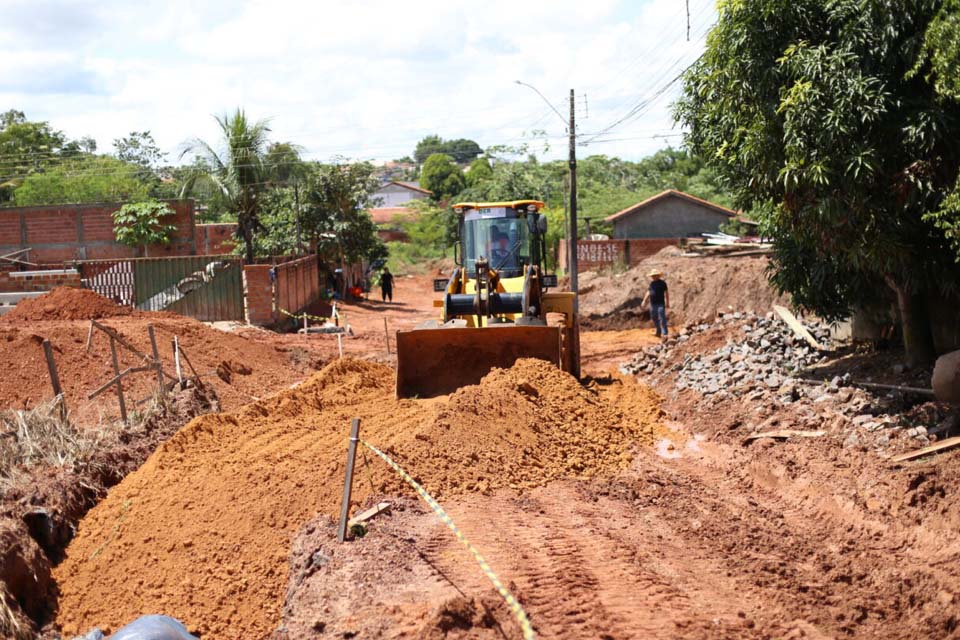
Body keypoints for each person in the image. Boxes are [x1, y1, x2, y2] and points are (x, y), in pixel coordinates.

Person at [641, 268, 669, 338]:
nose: (653, 277)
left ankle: (665, 333)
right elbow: (648, 292)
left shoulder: (662, 283)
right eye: (652, 276)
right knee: (654, 317)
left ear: (658, 276)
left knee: (662, 317)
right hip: (653, 304)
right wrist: (644, 300)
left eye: (655, 275)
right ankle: (658, 330)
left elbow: (666, 293)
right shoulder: (652, 284)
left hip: (660, 304)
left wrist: (667, 302)